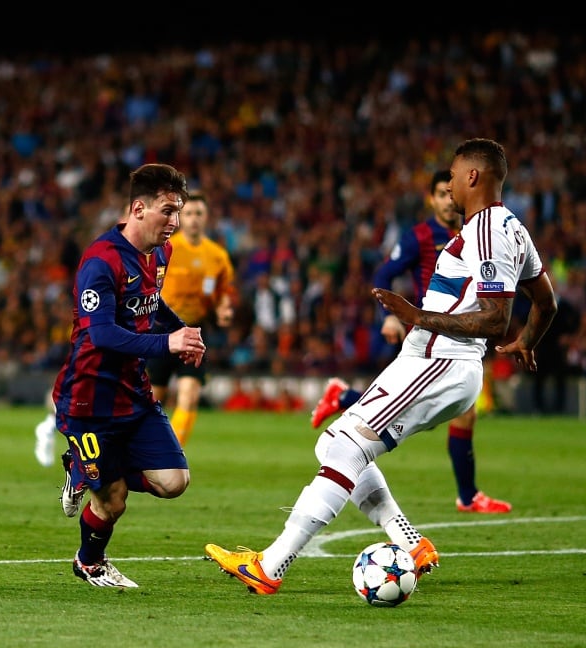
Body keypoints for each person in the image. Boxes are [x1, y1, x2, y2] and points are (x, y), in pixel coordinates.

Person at [205, 138, 558, 595]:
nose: (448, 182)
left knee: (347, 446)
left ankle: (270, 565)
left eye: (453, 173)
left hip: (440, 359)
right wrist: (529, 340)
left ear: (473, 176)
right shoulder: (512, 229)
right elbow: (546, 303)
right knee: (335, 443)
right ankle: (410, 545)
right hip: (435, 360)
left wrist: (416, 316)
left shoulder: (487, 230)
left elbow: (495, 317)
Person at [310, 169, 511, 513]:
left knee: (453, 412)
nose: (448, 201)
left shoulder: (476, 235)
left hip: (460, 335)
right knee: (431, 412)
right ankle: (467, 496)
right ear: (431, 199)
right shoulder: (420, 235)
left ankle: (342, 396)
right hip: (429, 338)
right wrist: (390, 315)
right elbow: (385, 274)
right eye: (440, 195)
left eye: (451, 194)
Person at [52, 163, 206, 588]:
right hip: (88, 401)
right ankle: (90, 562)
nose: (174, 222)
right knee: (114, 500)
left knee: (175, 482)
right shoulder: (100, 261)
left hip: (133, 395)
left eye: (179, 212)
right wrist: (167, 345)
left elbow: (150, 305)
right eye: (167, 211)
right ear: (138, 208)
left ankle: (89, 468)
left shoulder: (161, 253)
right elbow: (101, 334)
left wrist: (180, 332)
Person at [146, 191, 237, 445]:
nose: (194, 219)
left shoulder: (216, 255)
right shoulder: (166, 248)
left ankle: (169, 454)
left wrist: (224, 309)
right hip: (161, 332)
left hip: (195, 332)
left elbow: (224, 293)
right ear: (179, 217)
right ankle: (140, 447)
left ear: (206, 217)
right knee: (154, 398)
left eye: (199, 213)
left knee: (189, 396)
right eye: (188, 214)